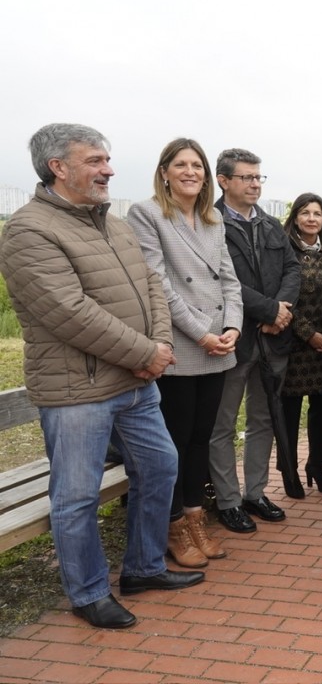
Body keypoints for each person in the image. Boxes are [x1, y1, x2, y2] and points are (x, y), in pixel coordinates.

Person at [0, 123, 204, 629]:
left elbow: (152, 285)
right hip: (78, 392)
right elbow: (68, 312)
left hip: (135, 383)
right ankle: (88, 593)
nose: (108, 169)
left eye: (106, 159)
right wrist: (145, 353)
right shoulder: (28, 231)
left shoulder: (112, 224)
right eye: (95, 160)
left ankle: (143, 568)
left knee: (161, 467)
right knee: (76, 496)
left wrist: (157, 346)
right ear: (58, 167)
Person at [127, 138, 243, 569]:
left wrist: (232, 326)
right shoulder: (147, 214)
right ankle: (174, 526)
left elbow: (230, 280)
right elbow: (157, 284)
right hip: (181, 344)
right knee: (175, 442)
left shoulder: (214, 219)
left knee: (200, 439)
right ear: (164, 172)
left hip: (218, 344)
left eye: (197, 165)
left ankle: (196, 519)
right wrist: (201, 334)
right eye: (181, 165)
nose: (191, 172)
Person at [207, 148, 300, 534]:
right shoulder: (208, 223)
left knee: (264, 419)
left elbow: (292, 268)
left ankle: (255, 493)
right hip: (233, 339)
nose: (255, 184)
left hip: (273, 340)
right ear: (223, 180)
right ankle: (228, 501)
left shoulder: (270, 224)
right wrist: (269, 310)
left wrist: (283, 311)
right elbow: (221, 278)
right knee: (223, 424)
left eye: (258, 177)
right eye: (246, 177)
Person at [280, 193, 322, 497]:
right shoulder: (285, 250)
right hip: (293, 344)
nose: (312, 219)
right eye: (305, 213)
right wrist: (308, 334)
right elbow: (284, 298)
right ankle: (289, 472)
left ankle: (318, 465)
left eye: (317, 213)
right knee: (289, 413)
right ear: (295, 217)